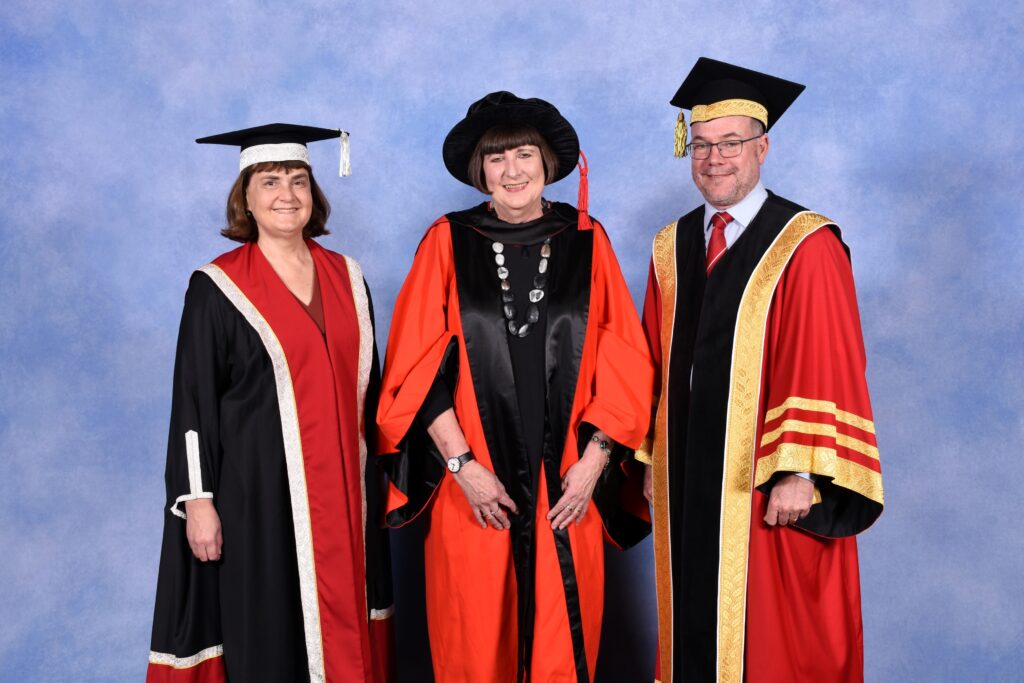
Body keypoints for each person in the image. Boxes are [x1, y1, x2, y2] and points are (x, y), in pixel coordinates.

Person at [377, 92, 653, 682]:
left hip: (566, 483)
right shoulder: (446, 242)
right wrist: (462, 467)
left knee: (562, 637)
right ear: (481, 172)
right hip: (474, 482)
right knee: (476, 640)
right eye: (496, 159)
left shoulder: (586, 240)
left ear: (547, 164)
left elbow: (626, 360)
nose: (512, 172)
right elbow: (411, 368)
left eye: (523, 155)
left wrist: (595, 463)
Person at [638, 59, 885, 682]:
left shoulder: (805, 243)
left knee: (775, 646)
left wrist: (800, 470)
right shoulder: (670, 247)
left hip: (766, 486)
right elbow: (649, 363)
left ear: (763, 147)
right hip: (686, 484)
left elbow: (826, 360)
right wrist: (648, 460)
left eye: (731, 144)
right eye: (701, 145)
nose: (714, 159)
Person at [147, 123, 394, 682]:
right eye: (270, 182)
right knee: (270, 625)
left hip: (347, 492)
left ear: (315, 194)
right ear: (246, 199)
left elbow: (372, 390)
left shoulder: (347, 277)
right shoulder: (217, 286)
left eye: (299, 180)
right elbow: (193, 399)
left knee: (347, 619)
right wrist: (198, 501)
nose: (287, 194)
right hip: (257, 496)